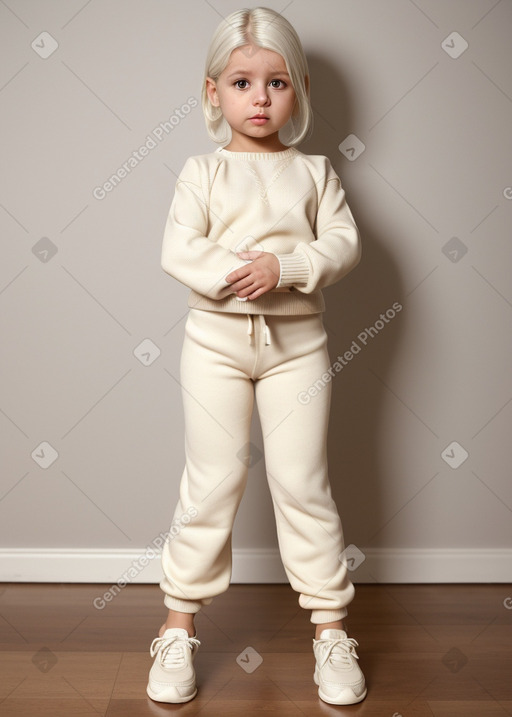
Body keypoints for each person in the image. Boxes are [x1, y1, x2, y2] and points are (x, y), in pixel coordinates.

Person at [147, 6, 367, 706]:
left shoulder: (315, 172)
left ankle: (331, 632)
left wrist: (288, 267)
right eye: (242, 82)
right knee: (210, 483)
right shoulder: (201, 171)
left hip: (298, 351)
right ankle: (177, 629)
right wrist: (235, 273)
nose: (260, 97)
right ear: (214, 92)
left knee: (303, 483)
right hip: (212, 348)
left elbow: (342, 243)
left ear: (296, 89)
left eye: (276, 82)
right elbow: (178, 247)